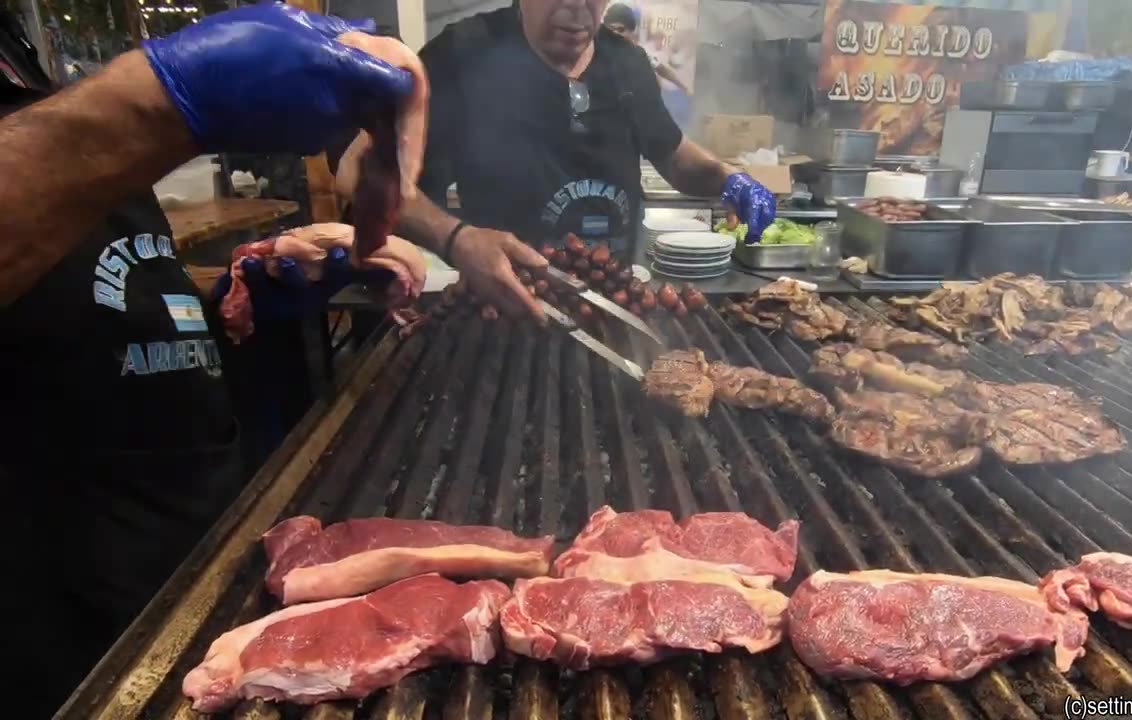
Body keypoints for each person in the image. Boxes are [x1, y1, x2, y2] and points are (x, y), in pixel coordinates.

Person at [0, 4, 426, 715]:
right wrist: (158, 98)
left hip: (187, 559)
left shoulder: (14, 46)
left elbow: (79, 277)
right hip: (57, 619)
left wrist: (233, 302)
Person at [335, 0, 776, 322]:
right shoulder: (462, 54)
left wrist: (729, 180)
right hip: (507, 303)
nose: (578, 10)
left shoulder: (627, 63)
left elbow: (675, 158)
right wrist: (457, 239)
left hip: (614, 304)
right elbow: (362, 173)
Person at [602, 3, 689, 95]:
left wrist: (683, 87)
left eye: (620, 30)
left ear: (631, 32)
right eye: (611, 29)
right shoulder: (596, 49)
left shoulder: (637, 53)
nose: (615, 34)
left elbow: (660, 68)